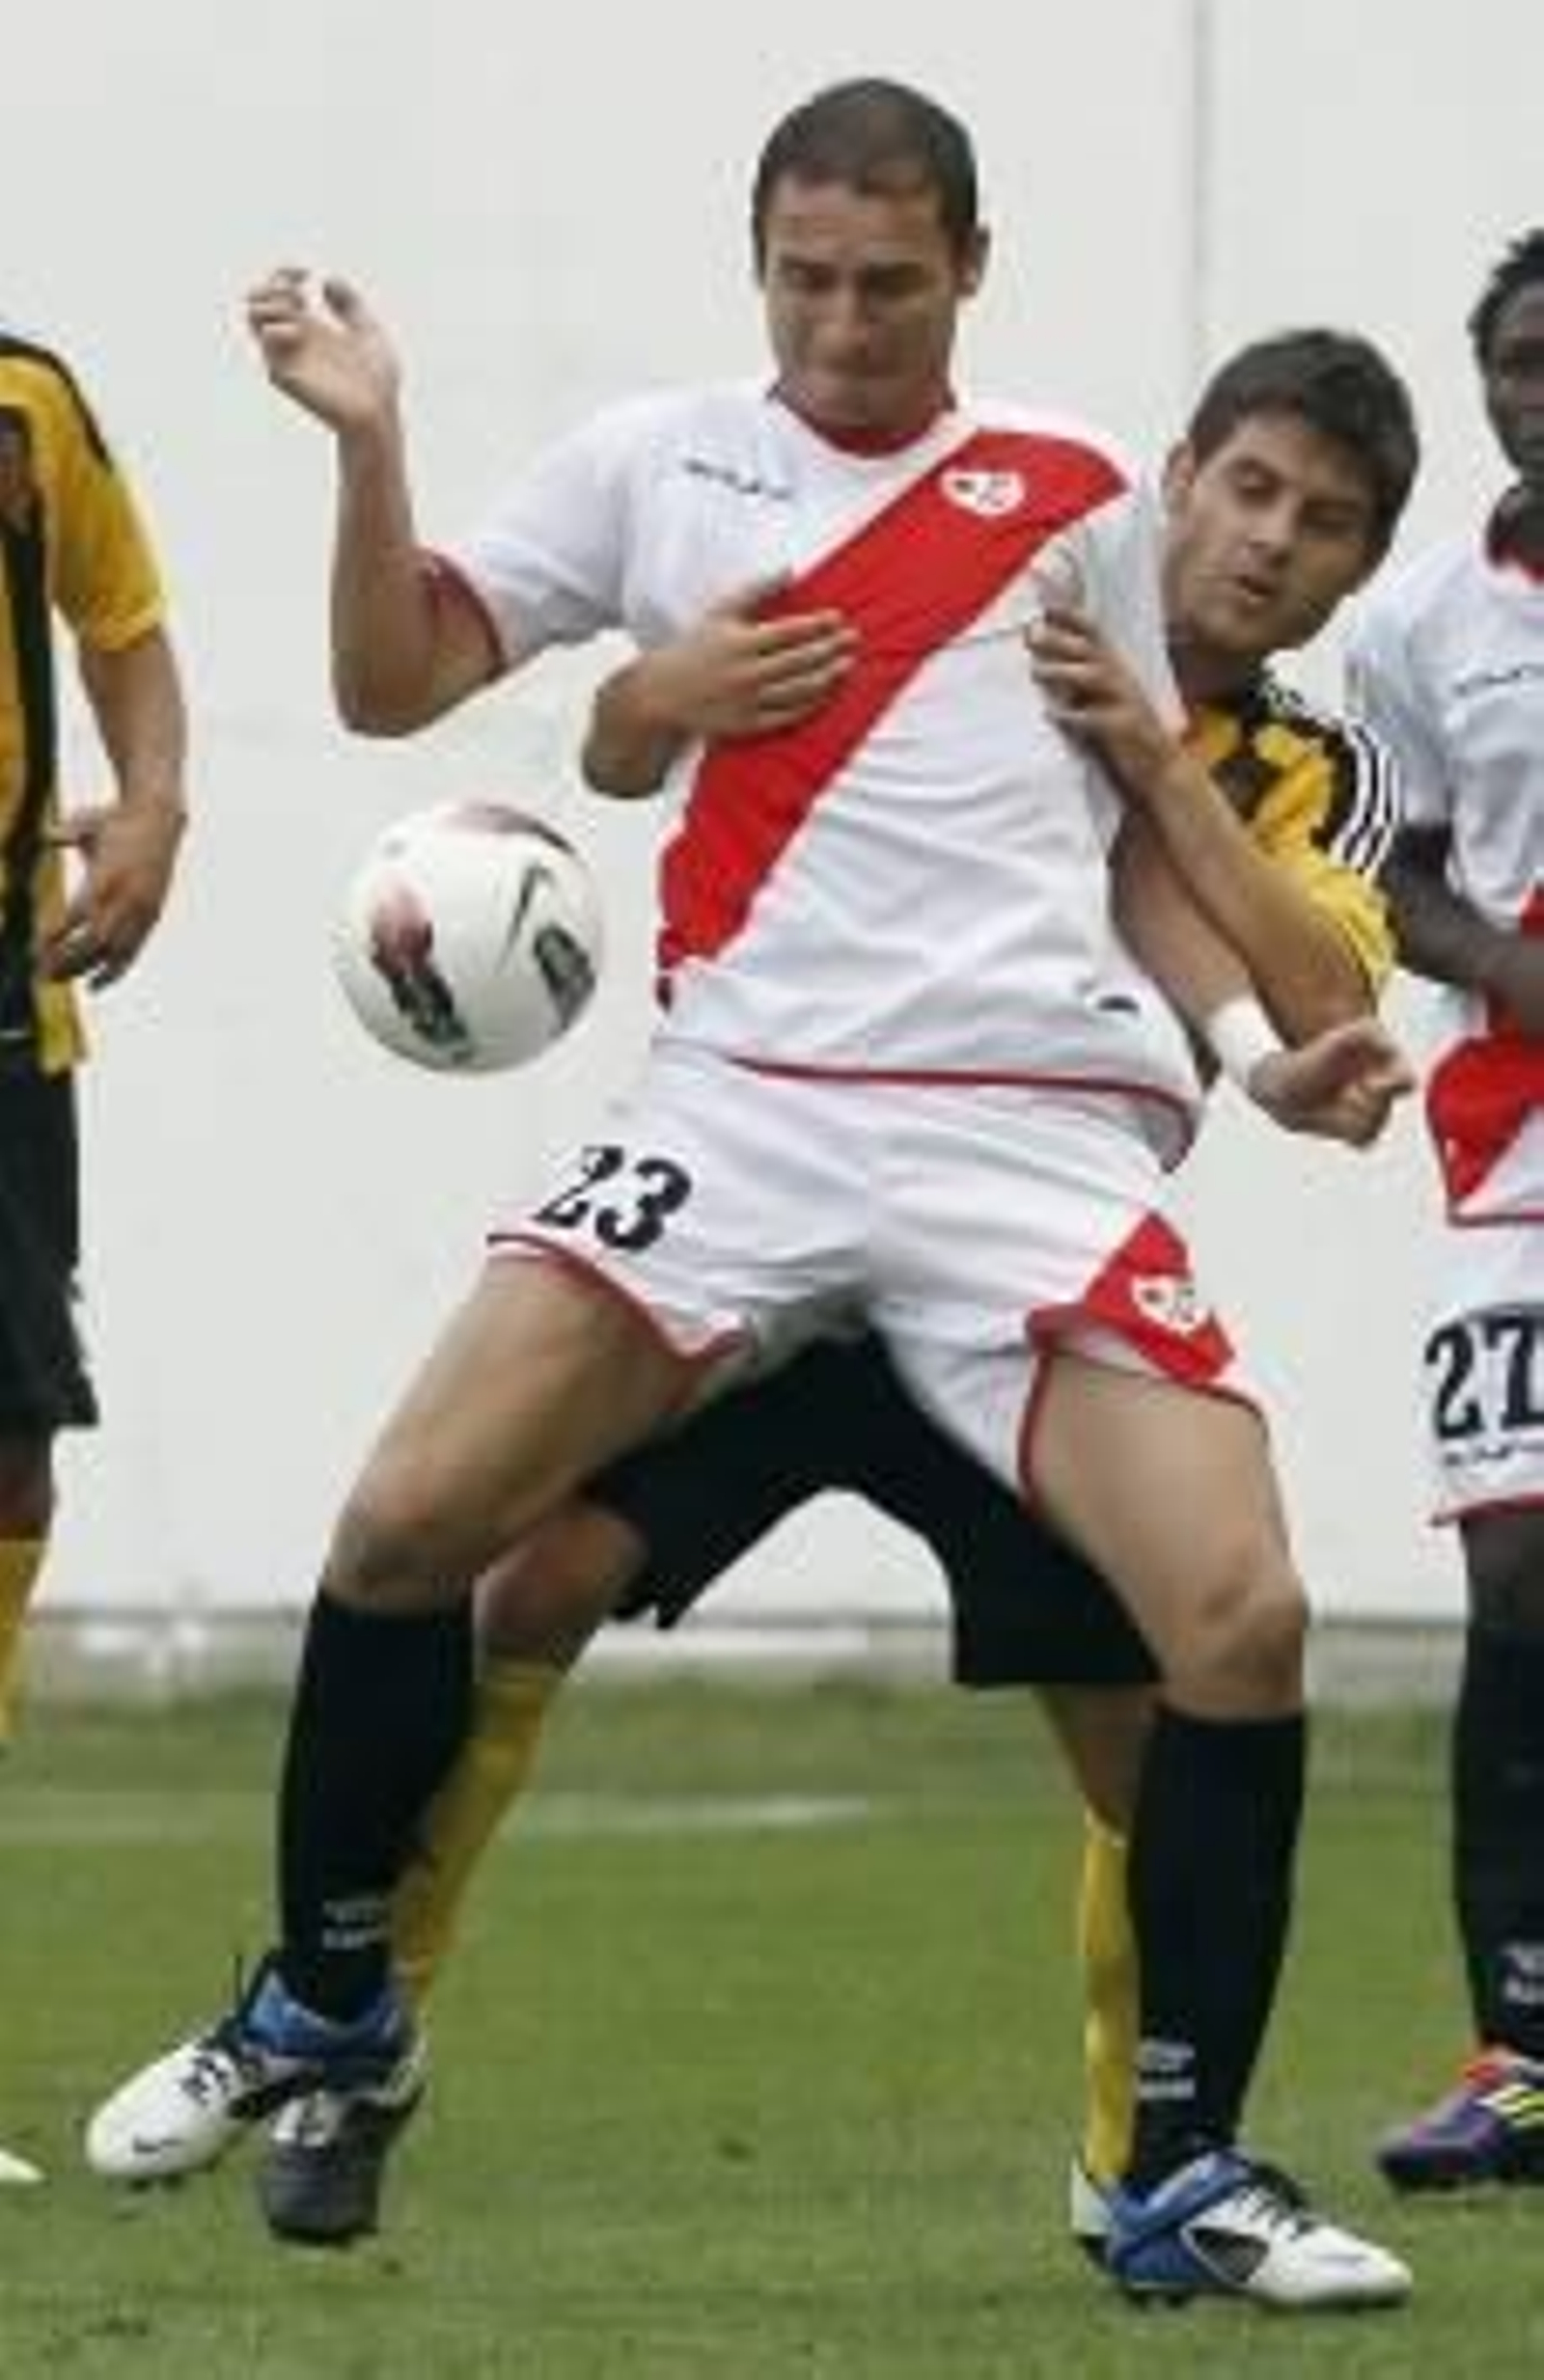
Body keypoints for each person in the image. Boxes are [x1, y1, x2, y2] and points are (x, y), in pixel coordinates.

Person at [89, 81, 1409, 2309]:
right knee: (419, 1529)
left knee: (1237, 1628)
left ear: (969, 271)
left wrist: (1276, 1047)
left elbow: (1127, 852)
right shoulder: (654, 462)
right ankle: (331, 2002)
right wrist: (371, 441)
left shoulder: (1075, 499)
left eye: (891, 282)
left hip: (1014, 1145)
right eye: (804, 275)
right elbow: (393, 675)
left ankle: (1176, 2172)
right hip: (747, 1114)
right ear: (757, 257)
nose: (844, 321)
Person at [1352, 229, 1544, 2194]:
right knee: (1515, 1584)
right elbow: (1391, 873)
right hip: (1513, 1152)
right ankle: (1525, 2049)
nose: (1539, 388)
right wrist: (1505, 956)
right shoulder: (1415, 624)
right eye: (1516, 356)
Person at [0, 329, 186, 2186]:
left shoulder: (27, 403)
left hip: (1, 1027)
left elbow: (122, 629)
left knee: (7, 1465)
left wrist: (152, 807)